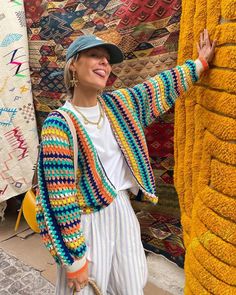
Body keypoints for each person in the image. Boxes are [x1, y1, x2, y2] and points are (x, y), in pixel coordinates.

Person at [36, 29, 216, 295]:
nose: (104, 63)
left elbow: (159, 86)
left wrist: (200, 64)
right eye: (95, 56)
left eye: (107, 60)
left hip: (123, 211)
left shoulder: (120, 105)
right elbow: (60, 200)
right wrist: (73, 259)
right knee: (85, 290)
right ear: (73, 64)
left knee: (131, 287)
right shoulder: (59, 125)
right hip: (86, 223)